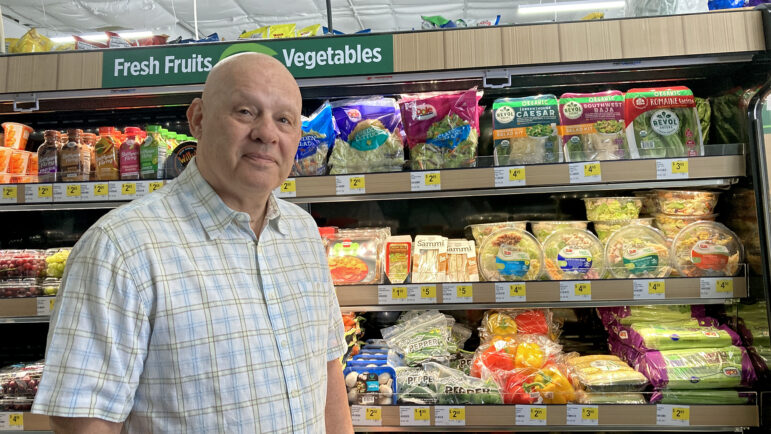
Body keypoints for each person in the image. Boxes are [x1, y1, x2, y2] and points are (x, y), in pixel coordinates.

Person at [32, 52, 354, 434]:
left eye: (284, 119)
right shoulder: (119, 248)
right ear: (198, 119)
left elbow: (328, 372)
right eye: (246, 112)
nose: (267, 133)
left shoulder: (302, 233)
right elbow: (83, 422)